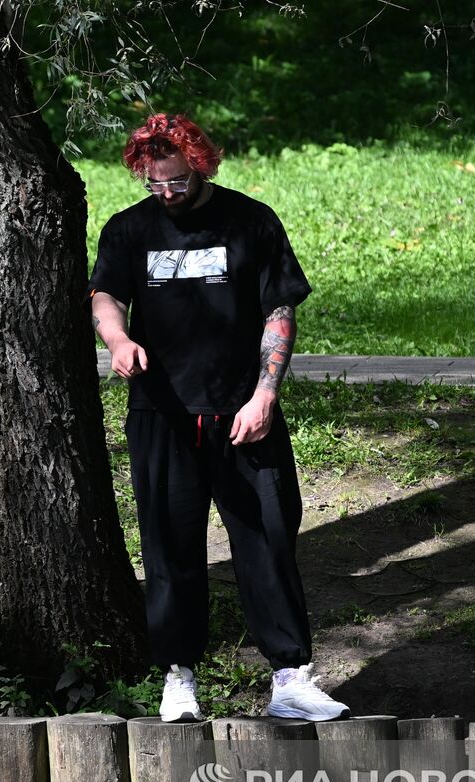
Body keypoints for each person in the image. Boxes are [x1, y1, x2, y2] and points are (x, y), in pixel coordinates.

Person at [88, 113, 349, 723]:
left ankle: (290, 677)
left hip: (244, 414)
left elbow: (278, 312)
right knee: (169, 549)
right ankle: (179, 680)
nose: (168, 192)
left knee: (268, 542)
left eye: (177, 180)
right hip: (164, 416)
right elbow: (105, 294)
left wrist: (265, 396)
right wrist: (117, 340)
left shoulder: (249, 221)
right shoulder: (129, 229)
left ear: (200, 164)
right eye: (155, 182)